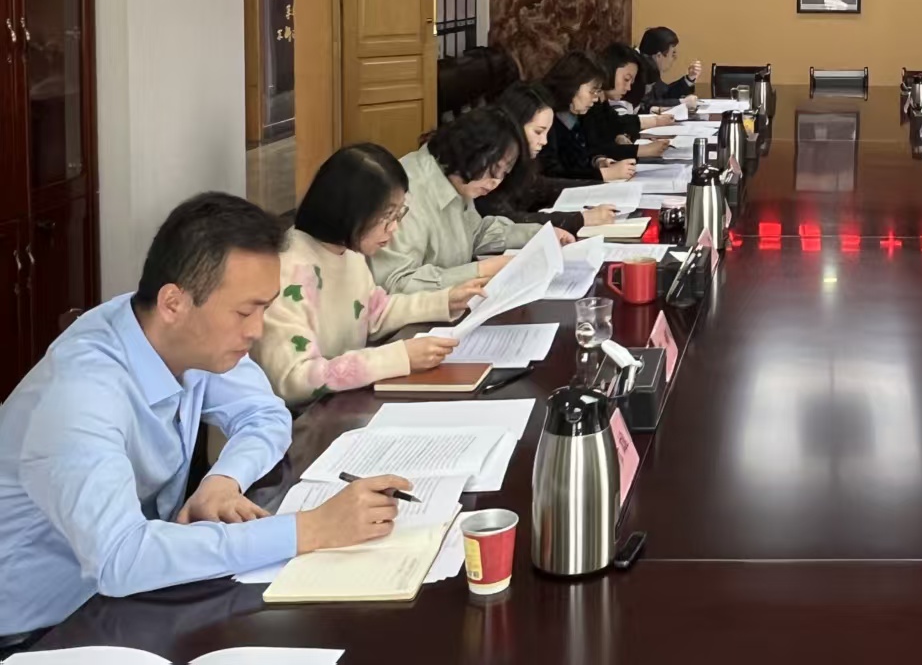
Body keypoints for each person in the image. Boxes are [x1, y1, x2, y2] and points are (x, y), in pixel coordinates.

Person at [0, 194, 409, 643]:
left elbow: (264, 414)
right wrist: (308, 529)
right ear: (174, 303)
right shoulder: (81, 393)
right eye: (244, 311)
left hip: (126, 596)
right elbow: (121, 557)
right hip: (40, 630)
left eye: (264, 308)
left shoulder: (182, 335)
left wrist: (223, 480)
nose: (256, 330)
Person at [255, 145, 487, 405]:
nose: (394, 228)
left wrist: (446, 301)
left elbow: (375, 313)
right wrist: (398, 358)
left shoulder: (348, 252)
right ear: (349, 209)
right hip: (303, 420)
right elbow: (294, 379)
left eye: (399, 214)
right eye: (387, 216)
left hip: (341, 404)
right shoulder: (289, 271)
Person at [370, 106, 559, 295]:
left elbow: (475, 234)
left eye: (504, 173)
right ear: (470, 151)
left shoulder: (456, 178)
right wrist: (479, 271)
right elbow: (396, 283)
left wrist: (538, 234)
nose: (496, 181)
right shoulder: (409, 193)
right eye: (494, 169)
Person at [478, 82, 620, 231]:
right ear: (515, 126)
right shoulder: (487, 165)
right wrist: (580, 219)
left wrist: (602, 187)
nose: (544, 141)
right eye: (538, 132)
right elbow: (507, 220)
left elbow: (542, 187)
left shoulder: (522, 165)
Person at [541, 49, 639, 184]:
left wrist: (598, 161)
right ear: (572, 85)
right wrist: (603, 174)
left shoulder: (578, 115)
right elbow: (552, 174)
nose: (596, 98)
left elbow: (583, 155)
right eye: (592, 91)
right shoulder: (545, 119)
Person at [582, 43, 670, 162]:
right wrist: (642, 150)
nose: (628, 88)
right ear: (609, 70)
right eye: (626, 79)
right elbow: (595, 148)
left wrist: (620, 136)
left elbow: (617, 124)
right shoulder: (588, 106)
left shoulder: (603, 104)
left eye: (631, 83)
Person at [638, 26, 700, 106]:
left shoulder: (650, 70)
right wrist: (681, 102)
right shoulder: (640, 73)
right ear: (659, 56)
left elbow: (665, 94)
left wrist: (689, 79)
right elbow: (645, 105)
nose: (675, 58)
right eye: (673, 53)